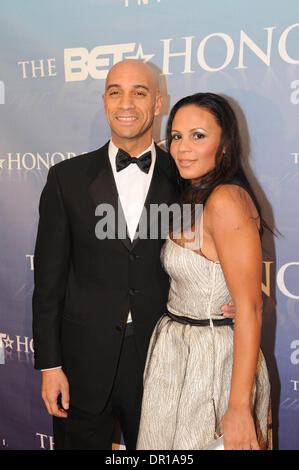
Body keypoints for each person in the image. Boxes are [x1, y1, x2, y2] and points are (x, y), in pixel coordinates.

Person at [32, 61, 235, 450]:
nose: (126, 103)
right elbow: (48, 283)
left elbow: (217, 255)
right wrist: (50, 364)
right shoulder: (66, 178)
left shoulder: (187, 178)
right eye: (115, 91)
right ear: (104, 100)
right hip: (81, 363)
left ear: (158, 102)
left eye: (139, 92)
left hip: (163, 360)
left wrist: (242, 299)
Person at [137, 93, 272, 451]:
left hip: (212, 361)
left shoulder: (227, 200)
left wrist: (239, 408)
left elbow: (251, 307)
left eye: (198, 135)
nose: (182, 147)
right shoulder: (192, 194)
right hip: (175, 351)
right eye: (177, 136)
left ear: (225, 144)